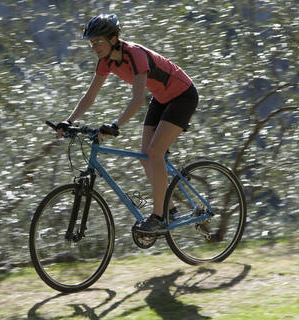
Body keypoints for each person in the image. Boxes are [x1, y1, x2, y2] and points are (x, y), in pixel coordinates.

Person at [56, 14, 199, 234]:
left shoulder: (135, 55)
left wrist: (115, 125)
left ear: (114, 37)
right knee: (145, 155)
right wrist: (69, 120)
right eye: (91, 43)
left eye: (98, 41)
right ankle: (170, 210)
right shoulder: (105, 61)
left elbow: (137, 99)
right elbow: (90, 96)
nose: (94, 47)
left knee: (155, 152)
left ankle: (158, 217)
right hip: (161, 98)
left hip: (183, 96)